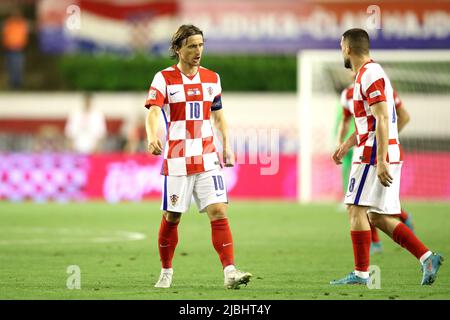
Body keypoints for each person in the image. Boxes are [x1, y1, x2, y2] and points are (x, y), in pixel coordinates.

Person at [331, 28, 443, 285]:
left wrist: (381, 159)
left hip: (373, 154)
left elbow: (382, 117)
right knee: (378, 216)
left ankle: (360, 274)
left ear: (348, 48)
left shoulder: (370, 74)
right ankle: (427, 257)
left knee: (355, 209)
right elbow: (369, 123)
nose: (341, 52)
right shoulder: (365, 75)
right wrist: (346, 145)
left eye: (341, 47)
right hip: (374, 149)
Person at [144, 25, 252, 289]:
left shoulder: (212, 78)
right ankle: (166, 271)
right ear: (178, 49)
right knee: (172, 217)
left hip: (207, 156)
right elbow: (154, 111)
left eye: (201, 45)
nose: (197, 51)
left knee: (218, 211)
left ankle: (230, 272)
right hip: (178, 158)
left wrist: (226, 144)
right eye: (192, 45)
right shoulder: (164, 78)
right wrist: (151, 135)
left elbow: (218, 114)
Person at [336, 71, 415, 255]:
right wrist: (341, 143)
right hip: (362, 148)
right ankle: (383, 242)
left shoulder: (381, 89)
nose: (351, 70)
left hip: (377, 151)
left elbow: (402, 117)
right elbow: (346, 122)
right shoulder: (348, 95)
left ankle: (399, 230)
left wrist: (386, 139)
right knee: (367, 204)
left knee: (362, 204)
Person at [2, 7, 29, 89]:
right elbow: (5, 35)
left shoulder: (22, 24)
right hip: (9, 49)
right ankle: (12, 84)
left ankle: (18, 85)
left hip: (19, 49)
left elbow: (24, 36)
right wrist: (8, 44)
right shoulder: (8, 24)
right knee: (10, 66)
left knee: (18, 66)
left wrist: (20, 44)